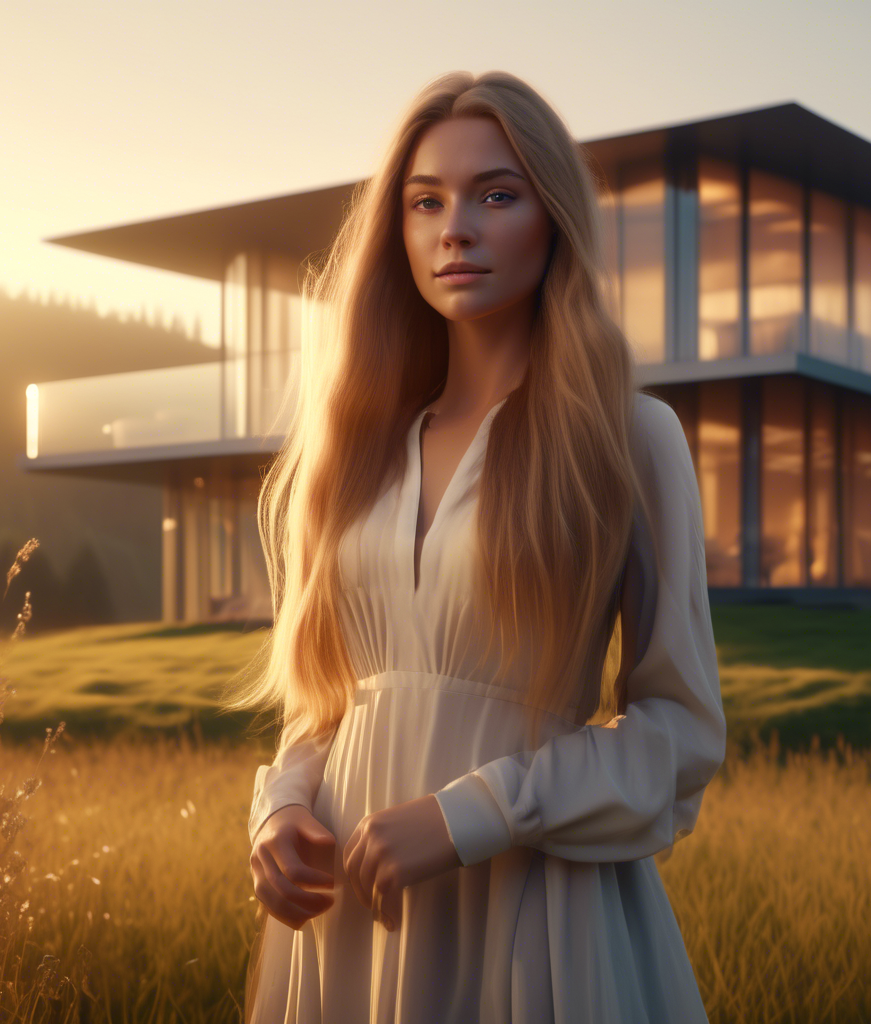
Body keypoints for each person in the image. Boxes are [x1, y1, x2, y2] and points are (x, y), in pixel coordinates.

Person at [224, 69, 727, 1024]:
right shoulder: (355, 448)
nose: (455, 228)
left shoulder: (628, 438)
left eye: (496, 195)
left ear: (554, 220)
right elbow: (328, 702)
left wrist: (473, 816)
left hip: (535, 911)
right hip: (345, 921)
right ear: (399, 232)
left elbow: (680, 734)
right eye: (426, 202)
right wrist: (281, 807)